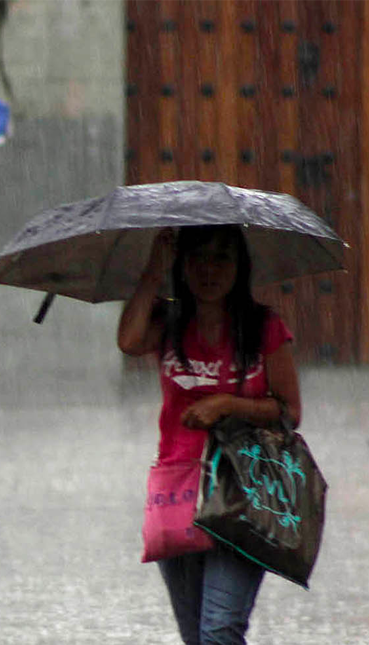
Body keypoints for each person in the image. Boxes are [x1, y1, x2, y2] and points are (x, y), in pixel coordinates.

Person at [117, 225, 302, 645]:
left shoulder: (264, 327)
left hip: (245, 494)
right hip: (179, 492)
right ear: (182, 265)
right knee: (197, 637)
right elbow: (128, 340)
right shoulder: (168, 322)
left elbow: (290, 411)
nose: (209, 270)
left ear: (241, 266)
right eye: (198, 257)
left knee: (220, 630)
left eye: (222, 258)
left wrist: (227, 405)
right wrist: (152, 271)